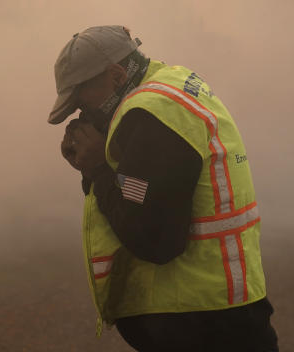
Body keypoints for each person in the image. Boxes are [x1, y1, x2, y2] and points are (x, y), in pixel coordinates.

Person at [48, 25, 279, 352]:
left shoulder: (149, 115)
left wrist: (98, 169)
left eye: (82, 100)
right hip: (216, 312)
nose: (83, 114)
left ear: (115, 76)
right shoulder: (169, 84)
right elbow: (143, 192)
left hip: (198, 322)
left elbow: (154, 239)